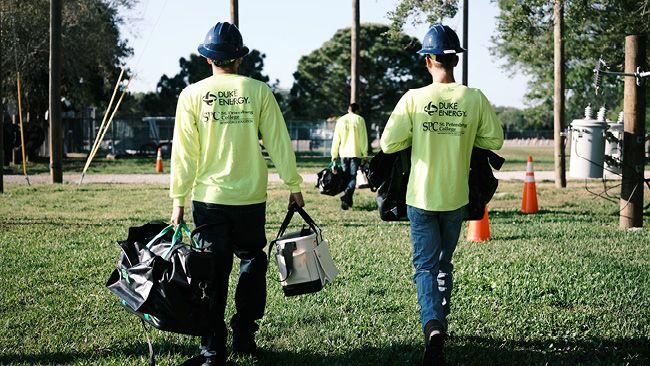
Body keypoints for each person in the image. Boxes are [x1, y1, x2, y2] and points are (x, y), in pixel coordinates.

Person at [169, 22, 304, 366]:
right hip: (249, 198)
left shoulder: (192, 95)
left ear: (207, 59)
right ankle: (244, 332)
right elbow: (279, 142)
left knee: (211, 274)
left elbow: (184, 154)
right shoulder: (258, 91)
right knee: (252, 262)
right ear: (239, 59)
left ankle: (213, 349)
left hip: (209, 199)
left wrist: (178, 200)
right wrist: (293, 185)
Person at [380, 23, 503, 366]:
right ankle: (442, 321)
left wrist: (419, 137)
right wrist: (463, 142)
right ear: (455, 61)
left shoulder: (414, 99)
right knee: (443, 263)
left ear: (428, 60)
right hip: (456, 198)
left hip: (419, 197)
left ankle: (432, 325)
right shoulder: (474, 98)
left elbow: (388, 143)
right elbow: (494, 141)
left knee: (423, 266)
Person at [330, 102, 368, 210]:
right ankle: (346, 195)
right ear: (357, 110)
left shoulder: (341, 120)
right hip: (355, 153)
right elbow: (363, 138)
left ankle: (348, 202)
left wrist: (334, 154)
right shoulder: (360, 120)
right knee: (353, 177)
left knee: (346, 177)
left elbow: (336, 138)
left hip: (343, 154)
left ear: (348, 109)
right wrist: (365, 153)